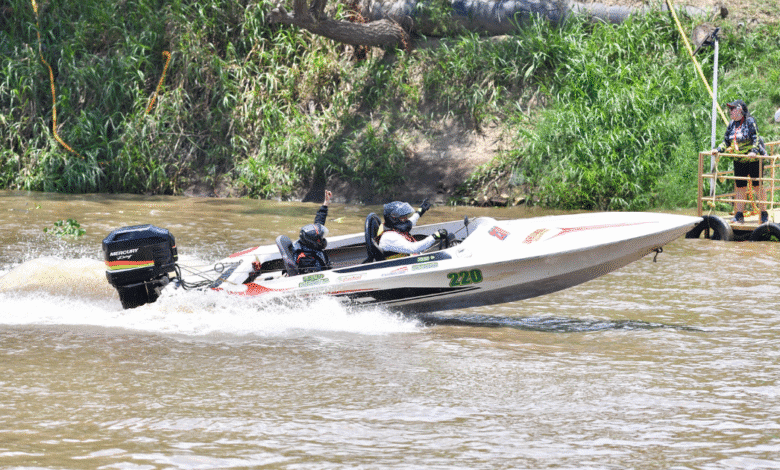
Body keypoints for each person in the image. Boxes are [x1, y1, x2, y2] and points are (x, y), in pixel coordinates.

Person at [713, 99, 768, 224]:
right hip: (739, 160)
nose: (730, 111)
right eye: (730, 109)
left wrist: (753, 151)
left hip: (753, 160)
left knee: (758, 186)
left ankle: (764, 214)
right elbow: (726, 141)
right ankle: (739, 215)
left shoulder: (750, 121)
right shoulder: (732, 124)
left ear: (740, 110)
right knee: (740, 187)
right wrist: (718, 149)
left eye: (733, 109)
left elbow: (756, 137)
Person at [378, 199, 447, 258]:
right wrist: (434, 236)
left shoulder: (392, 227)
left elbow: (410, 222)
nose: (406, 218)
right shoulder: (389, 236)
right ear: (393, 219)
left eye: (406, 216)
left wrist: (420, 211)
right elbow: (413, 248)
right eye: (403, 217)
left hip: (407, 262)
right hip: (398, 268)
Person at [293, 190, 333, 273]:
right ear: (314, 242)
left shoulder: (308, 245)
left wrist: (326, 203)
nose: (323, 239)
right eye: (321, 238)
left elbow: (319, 222)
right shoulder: (307, 259)